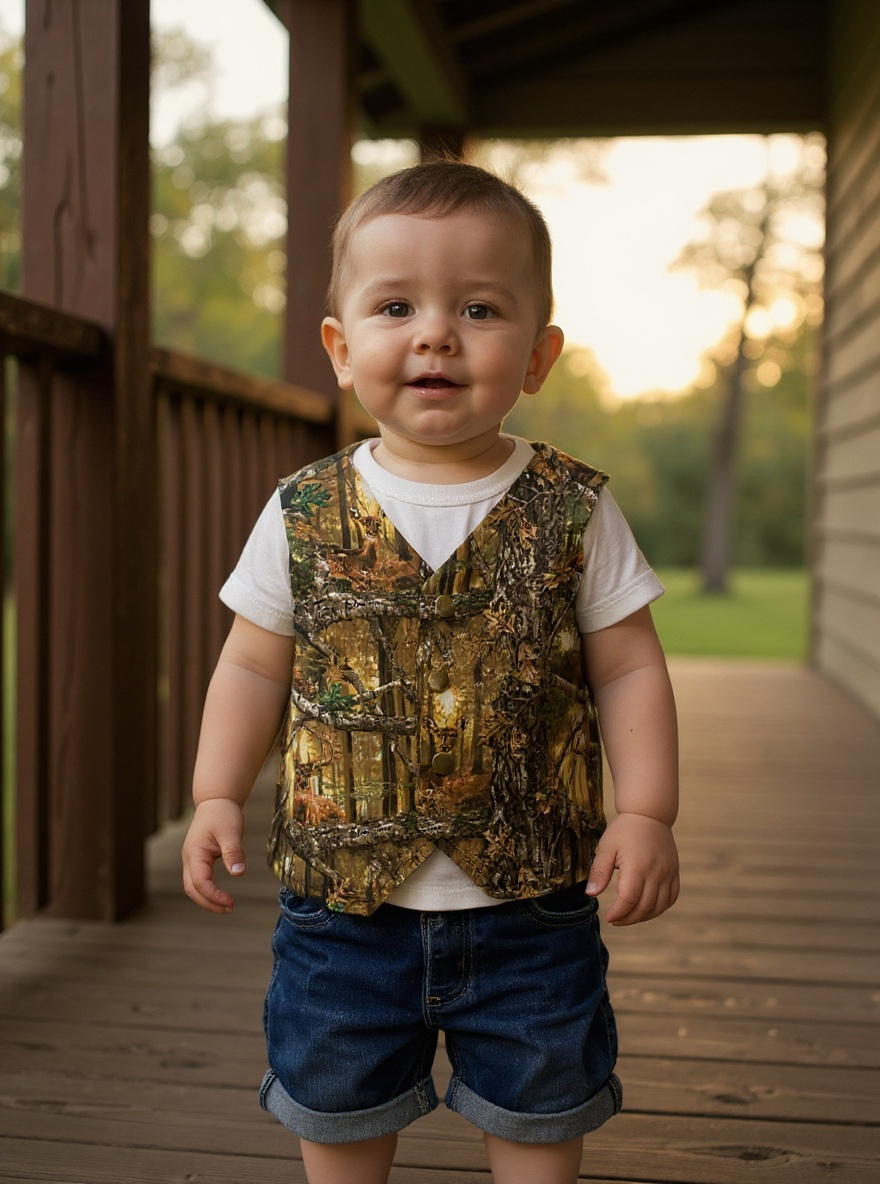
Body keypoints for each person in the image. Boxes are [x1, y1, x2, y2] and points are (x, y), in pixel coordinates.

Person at [182, 159, 680, 1184]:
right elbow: (251, 662)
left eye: (480, 307)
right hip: (343, 913)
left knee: (541, 1107)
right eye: (396, 304)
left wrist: (648, 810)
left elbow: (628, 667)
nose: (436, 333)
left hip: (533, 900)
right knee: (338, 1098)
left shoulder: (572, 506)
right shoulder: (302, 509)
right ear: (341, 346)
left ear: (537, 354)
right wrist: (214, 789)